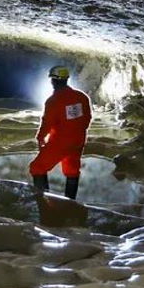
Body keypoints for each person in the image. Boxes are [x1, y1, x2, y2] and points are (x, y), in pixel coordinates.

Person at [29, 65, 92, 200]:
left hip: (61, 142)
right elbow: (87, 119)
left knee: (37, 167)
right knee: (72, 171)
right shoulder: (82, 97)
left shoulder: (53, 101)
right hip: (78, 140)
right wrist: (77, 133)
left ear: (53, 80)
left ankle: (43, 200)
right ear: (66, 79)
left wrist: (40, 137)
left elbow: (47, 123)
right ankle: (70, 202)